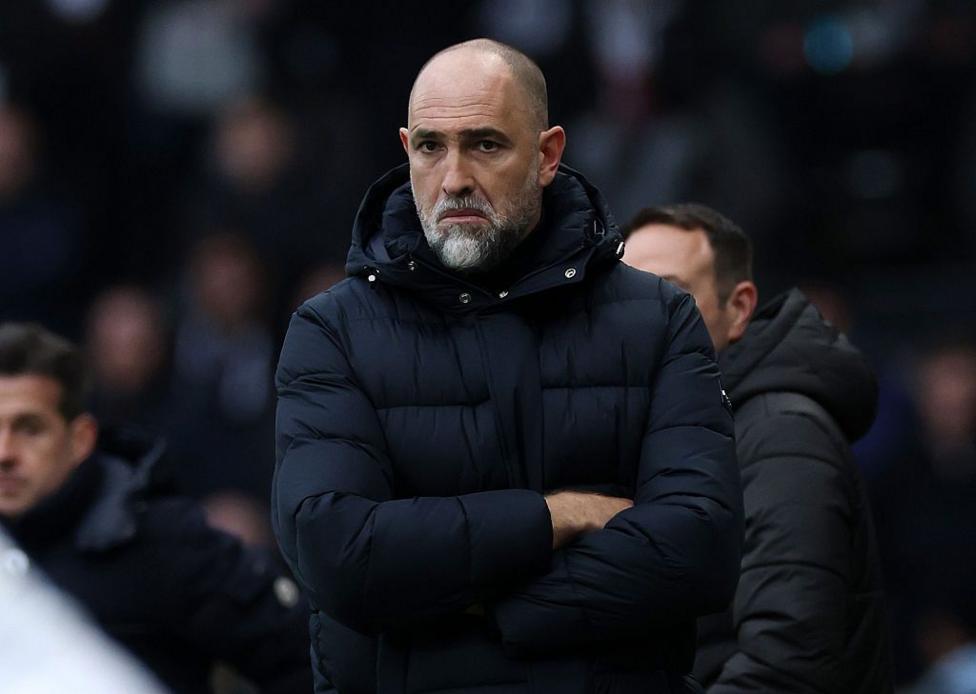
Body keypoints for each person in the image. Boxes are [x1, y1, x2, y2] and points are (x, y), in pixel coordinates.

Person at [273, 39, 742, 694]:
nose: (455, 177)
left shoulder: (657, 318)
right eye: (431, 147)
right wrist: (556, 517)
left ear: (548, 154)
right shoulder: (333, 331)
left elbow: (701, 551)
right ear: (406, 149)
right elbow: (339, 554)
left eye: (486, 144)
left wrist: (476, 609)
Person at [623, 203, 891, 693]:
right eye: (621, 296)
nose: (635, 319)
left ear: (739, 308)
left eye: (668, 295)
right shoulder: (669, 428)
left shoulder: (782, 436)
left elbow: (788, 667)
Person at [0, 322, 311, 694]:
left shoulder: (160, 542)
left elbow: (304, 662)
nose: (5, 453)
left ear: (80, 439)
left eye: (29, 428)